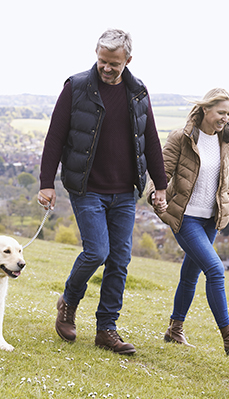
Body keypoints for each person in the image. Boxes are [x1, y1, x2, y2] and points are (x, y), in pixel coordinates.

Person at [37, 28, 168, 354]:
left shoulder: (138, 92)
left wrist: (161, 186)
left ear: (128, 60)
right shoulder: (77, 86)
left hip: (124, 190)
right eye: (102, 61)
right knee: (97, 252)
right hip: (87, 188)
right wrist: (46, 183)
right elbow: (55, 136)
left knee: (120, 259)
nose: (106, 68)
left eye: (114, 63)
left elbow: (150, 140)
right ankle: (68, 302)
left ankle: (106, 329)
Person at [146, 88, 229, 356]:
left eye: (228, 113)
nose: (225, 119)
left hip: (210, 220)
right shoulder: (181, 138)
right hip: (186, 218)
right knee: (216, 270)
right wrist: (154, 194)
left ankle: (174, 330)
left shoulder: (225, 141)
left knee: (190, 275)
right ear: (206, 110)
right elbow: (161, 171)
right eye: (221, 112)